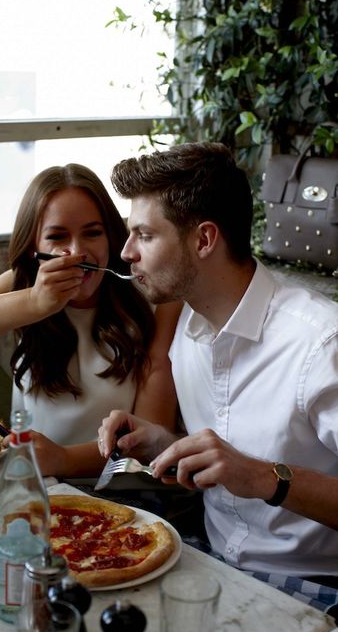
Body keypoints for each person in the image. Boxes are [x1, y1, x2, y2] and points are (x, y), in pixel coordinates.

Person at [97, 142, 338, 607]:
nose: (126, 253)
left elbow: (249, 471)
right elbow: (228, 461)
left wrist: (266, 478)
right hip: (208, 561)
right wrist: (163, 445)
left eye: (144, 235)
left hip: (316, 588)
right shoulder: (188, 328)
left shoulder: (320, 343)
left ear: (204, 240)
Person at [0, 163, 182, 478]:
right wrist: (35, 302)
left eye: (92, 233)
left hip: (115, 496)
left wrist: (64, 459)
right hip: (30, 485)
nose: (78, 252)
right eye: (57, 236)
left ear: (112, 238)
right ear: (34, 247)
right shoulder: (25, 284)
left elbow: (149, 442)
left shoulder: (155, 300)